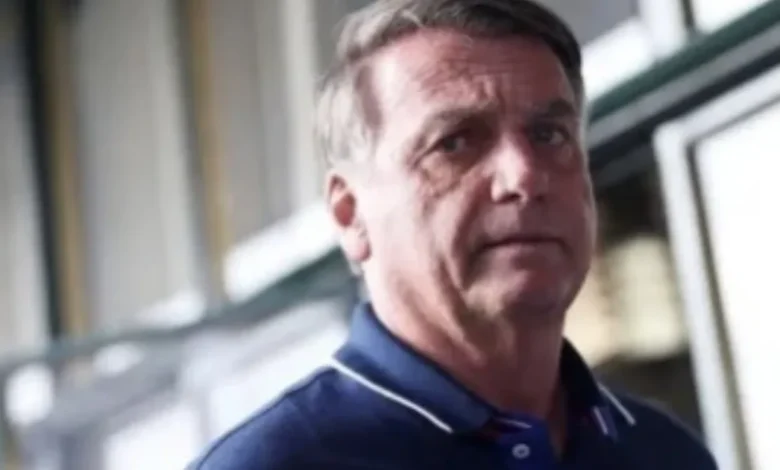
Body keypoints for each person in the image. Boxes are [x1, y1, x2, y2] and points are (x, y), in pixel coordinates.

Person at [192, 0, 718, 468]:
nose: (524, 175)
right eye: (455, 143)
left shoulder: (665, 454)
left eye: (549, 134)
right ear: (351, 214)